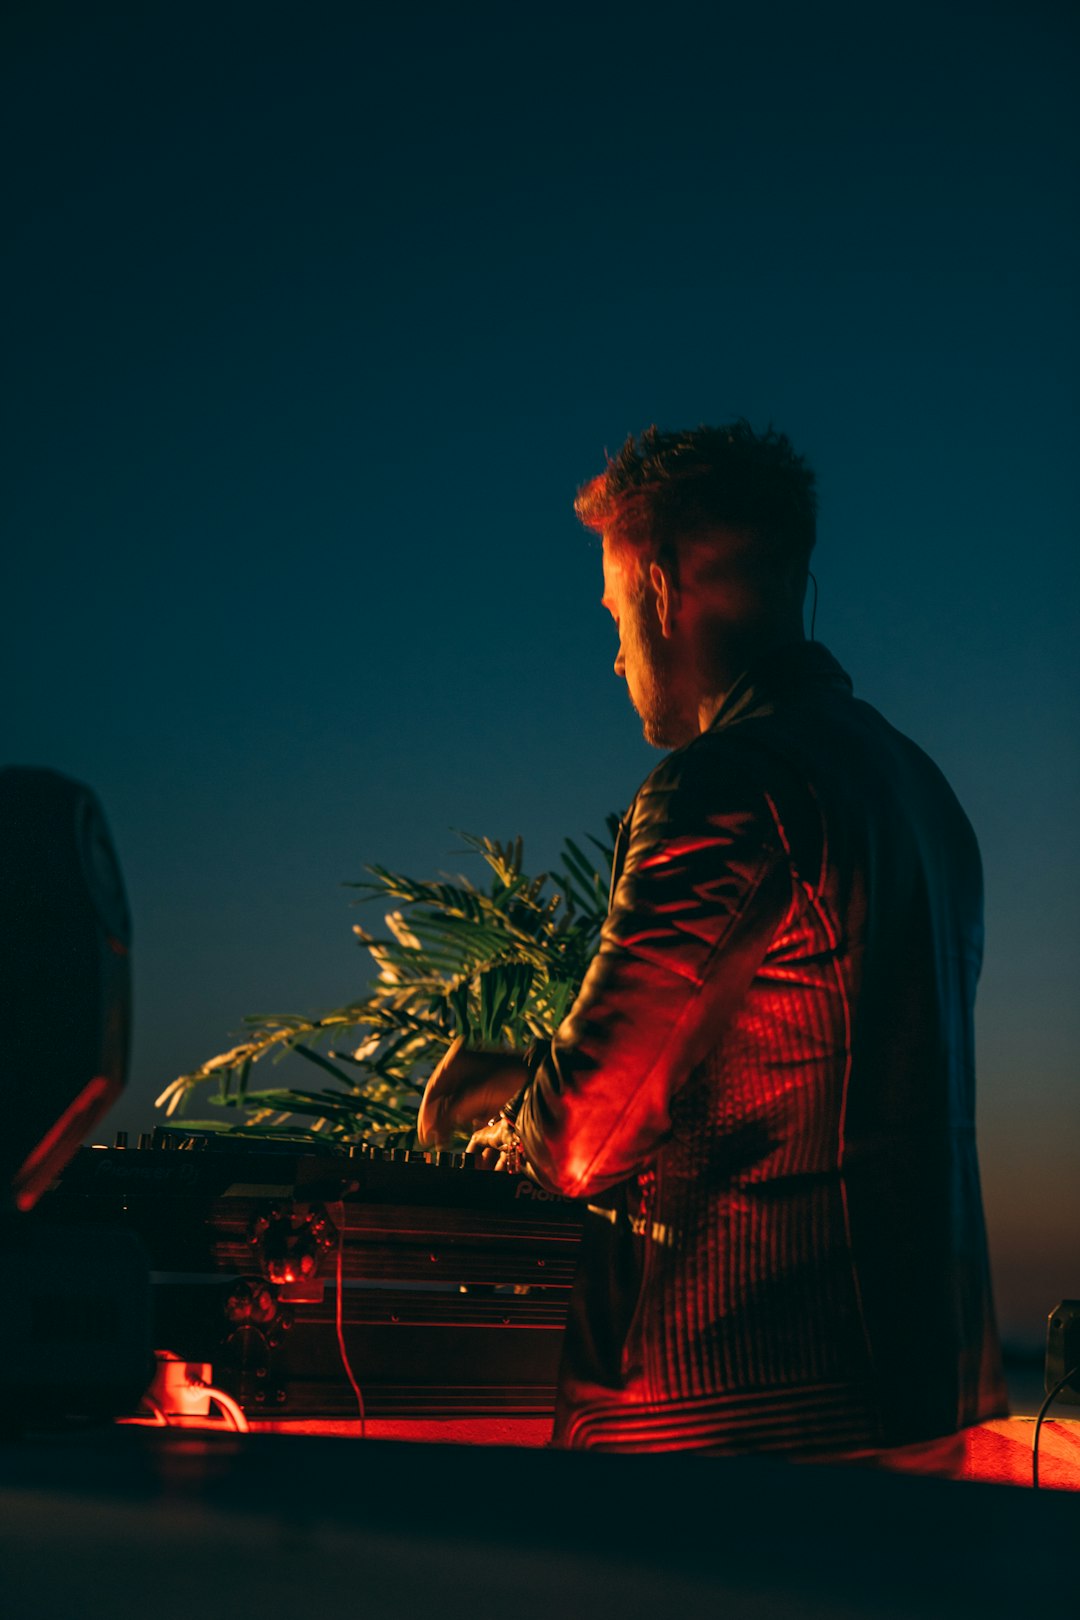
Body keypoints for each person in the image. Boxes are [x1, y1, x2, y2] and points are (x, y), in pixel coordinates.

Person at [418, 421, 1008, 1462]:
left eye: (612, 610)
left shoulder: (724, 786)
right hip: (929, 1403)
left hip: (737, 1428)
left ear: (660, 583)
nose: (611, 653)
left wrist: (519, 1105)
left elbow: (580, 1142)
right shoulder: (925, 796)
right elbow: (815, 1068)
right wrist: (531, 1070)